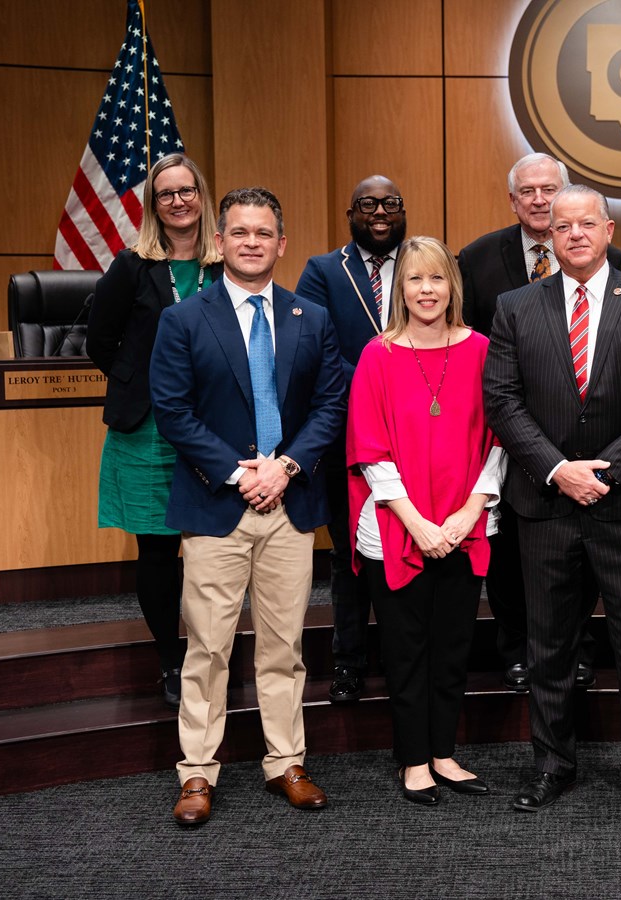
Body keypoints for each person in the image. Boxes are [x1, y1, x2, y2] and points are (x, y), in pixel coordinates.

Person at [483, 185, 621, 816]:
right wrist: (556, 470)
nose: (573, 234)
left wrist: (605, 470)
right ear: (549, 236)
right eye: (561, 225)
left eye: (585, 224)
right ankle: (551, 764)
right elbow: (502, 401)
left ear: (607, 230)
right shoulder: (516, 306)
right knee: (546, 647)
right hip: (546, 506)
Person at [149, 187, 345, 827]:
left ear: (281, 243)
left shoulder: (309, 318)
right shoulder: (184, 319)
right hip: (216, 508)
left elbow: (331, 406)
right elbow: (173, 413)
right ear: (221, 241)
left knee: (284, 645)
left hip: (289, 505)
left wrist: (285, 467)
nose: (252, 242)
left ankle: (287, 761)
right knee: (207, 647)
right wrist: (241, 472)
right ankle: (197, 774)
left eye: (264, 232)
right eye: (239, 232)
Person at [346, 236, 504, 806]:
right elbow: (370, 449)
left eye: (436, 278)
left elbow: (500, 439)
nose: (426, 290)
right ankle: (414, 759)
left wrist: (468, 513)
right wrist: (417, 524)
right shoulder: (378, 355)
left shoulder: (484, 349)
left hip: (465, 525)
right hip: (396, 527)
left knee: (453, 646)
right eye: (414, 280)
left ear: (452, 286)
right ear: (400, 289)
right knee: (406, 649)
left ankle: (443, 752)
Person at [458, 152, 621, 692]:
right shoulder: (479, 257)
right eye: (527, 191)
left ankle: (576, 648)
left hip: (586, 433)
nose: (538, 199)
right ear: (513, 200)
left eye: (548, 189)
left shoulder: (612, 257)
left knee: (582, 556)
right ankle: (518, 650)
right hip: (509, 429)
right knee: (512, 551)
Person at [87, 152, 222, 709]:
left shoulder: (225, 264)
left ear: (202, 196)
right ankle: (171, 658)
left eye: (186, 190)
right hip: (146, 433)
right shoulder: (131, 266)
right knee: (158, 550)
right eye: (166, 194)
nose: (178, 201)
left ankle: (211, 654)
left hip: (215, 427)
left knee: (216, 550)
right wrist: (142, 384)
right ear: (153, 206)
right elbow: (100, 340)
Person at [295, 175, 408, 704]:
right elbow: (310, 346)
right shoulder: (322, 271)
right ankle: (349, 660)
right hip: (347, 432)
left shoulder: (424, 262)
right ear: (351, 213)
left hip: (417, 430)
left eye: (390, 203)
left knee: (409, 547)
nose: (380, 212)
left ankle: (402, 656)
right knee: (350, 554)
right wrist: (374, 388)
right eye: (368, 203)